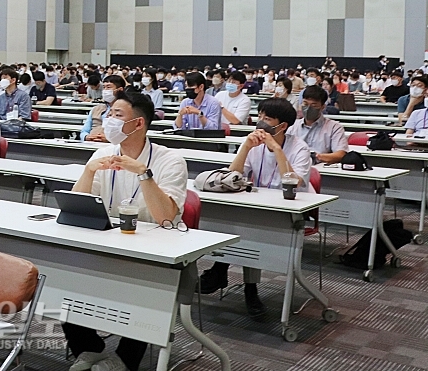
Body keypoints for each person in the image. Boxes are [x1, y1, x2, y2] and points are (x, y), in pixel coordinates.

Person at [66, 91, 187, 371]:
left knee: (147, 288)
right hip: (105, 241)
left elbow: (166, 216)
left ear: (138, 124)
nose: (108, 120)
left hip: (152, 249)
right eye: (109, 113)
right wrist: (89, 172)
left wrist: (143, 174)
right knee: (64, 275)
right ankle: (89, 349)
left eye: (117, 115)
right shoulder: (103, 153)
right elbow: (78, 206)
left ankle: (126, 359)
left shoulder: (170, 161)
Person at [200, 98, 311, 317]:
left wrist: (277, 150)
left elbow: (294, 181)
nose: (260, 122)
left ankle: (222, 271)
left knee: (249, 232)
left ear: (282, 126)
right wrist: (246, 147)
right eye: (259, 116)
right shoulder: (253, 143)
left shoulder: (299, 147)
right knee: (236, 224)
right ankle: (235, 279)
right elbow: (232, 175)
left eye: (267, 119)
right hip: (259, 204)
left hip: (291, 210)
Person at [291, 85, 348, 164]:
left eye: (314, 105)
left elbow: (340, 154)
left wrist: (316, 157)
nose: (308, 108)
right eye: (305, 104)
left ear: (323, 107)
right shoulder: (292, 126)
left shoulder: (334, 127)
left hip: (320, 169)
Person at [80, 75, 126, 142]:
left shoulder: (127, 110)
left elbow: (128, 133)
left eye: (108, 87)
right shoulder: (96, 109)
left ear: (120, 90)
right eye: (104, 87)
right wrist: (86, 137)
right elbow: (84, 131)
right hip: (91, 143)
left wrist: (110, 139)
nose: (105, 90)